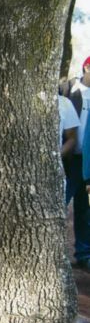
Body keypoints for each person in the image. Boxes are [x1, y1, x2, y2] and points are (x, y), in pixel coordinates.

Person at [68, 57, 90, 270]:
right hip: (70, 158)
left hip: (88, 161)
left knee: (85, 208)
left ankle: (83, 254)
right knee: (60, 202)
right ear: (87, 67)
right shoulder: (70, 90)